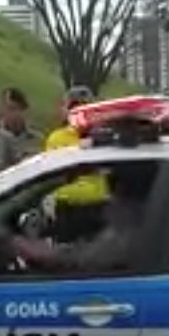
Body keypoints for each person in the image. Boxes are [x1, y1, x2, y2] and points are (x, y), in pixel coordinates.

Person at [11, 164, 156, 274]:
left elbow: (77, 259)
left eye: (110, 186)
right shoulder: (153, 224)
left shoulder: (126, 236)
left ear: (120, 191)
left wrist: (20, 245)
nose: (108, 199)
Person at [43, 86, 110, 241]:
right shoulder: (57, 138)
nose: (81, 112)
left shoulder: (105, 137)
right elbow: (50, 179)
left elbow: (106, 182)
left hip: (100, 212)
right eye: (75, 107)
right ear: (68, 110)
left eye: (86, 107)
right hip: (68, 212)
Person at [0, 87, 42, 160]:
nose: (15, 114)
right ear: (3, 109)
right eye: (10, 109)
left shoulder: (37, 139)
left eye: (19, 109)